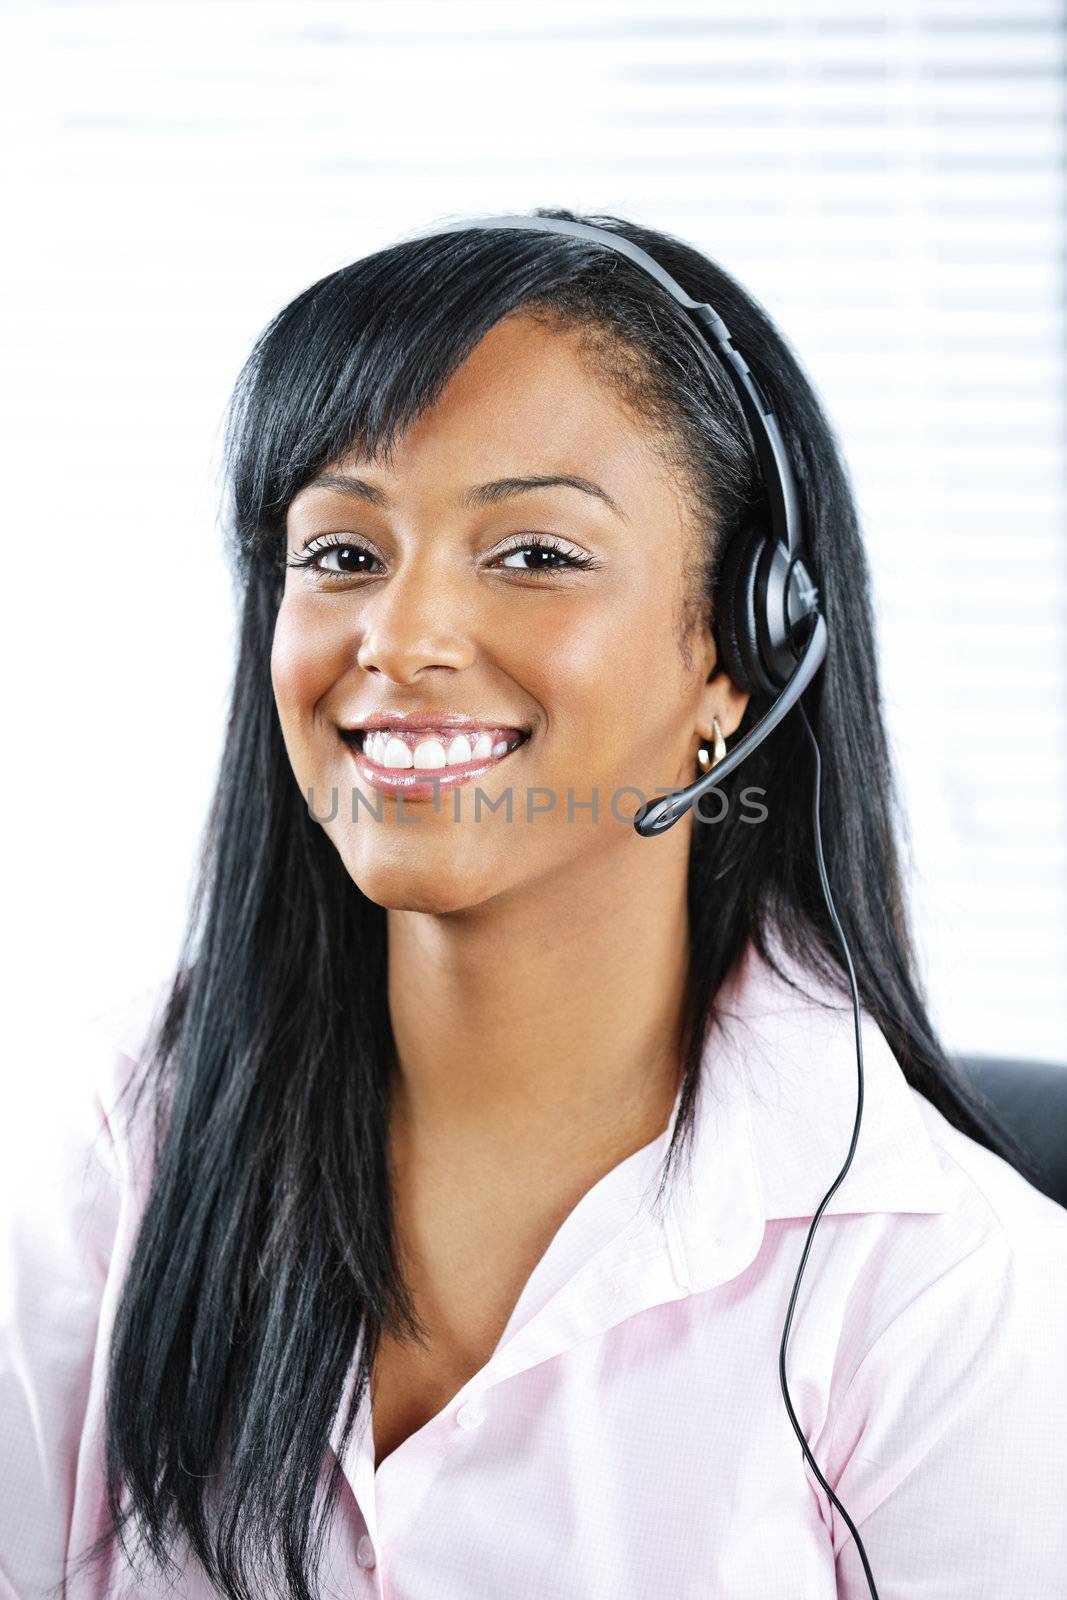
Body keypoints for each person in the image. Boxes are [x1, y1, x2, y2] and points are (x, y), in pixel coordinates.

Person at [3, 207, 1066, 1600]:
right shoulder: (115, 1141)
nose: (401, 639)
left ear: (738, 656)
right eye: (340, 553)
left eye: (535, 555)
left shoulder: (951, 1300)